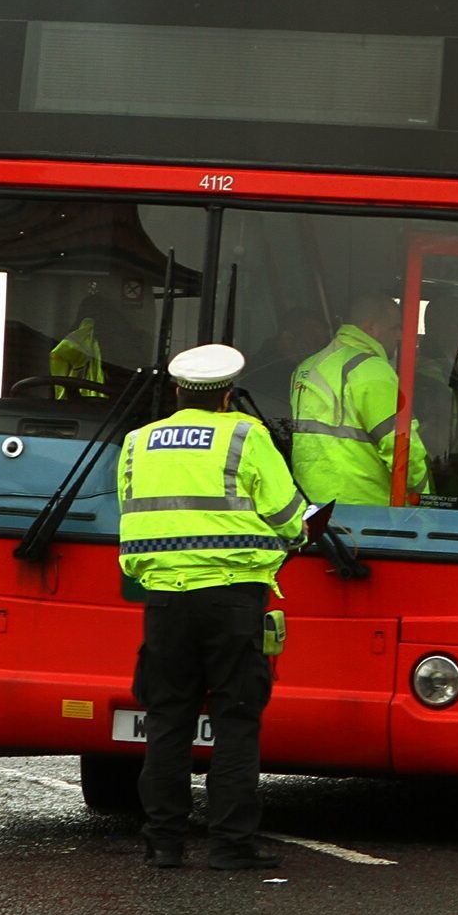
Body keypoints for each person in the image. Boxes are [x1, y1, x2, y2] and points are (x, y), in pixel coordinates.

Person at [117, 343, 308, 871]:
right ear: (227, 394)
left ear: (177, 392)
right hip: (232, 597)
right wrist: (299, 531)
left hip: (163, 601)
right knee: (236, 719)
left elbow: (132, 513)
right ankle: (230, 844)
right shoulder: (246, 435)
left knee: (168, 721)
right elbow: (286, 513)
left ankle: (163, 843)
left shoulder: (137, 442)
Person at [287, 293, 429, 507]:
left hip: (314, 508)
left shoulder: (306, 367)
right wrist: (427, 504)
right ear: (371, 327)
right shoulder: (371, 370)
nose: (400, 336)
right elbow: (402, 446)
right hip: (367, 512)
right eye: (395, 327)